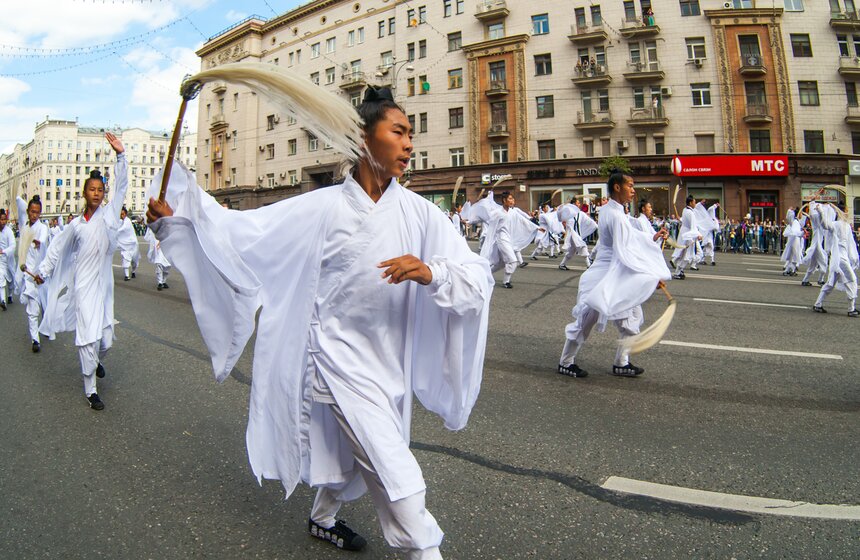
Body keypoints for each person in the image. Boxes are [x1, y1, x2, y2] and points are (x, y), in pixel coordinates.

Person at [146, 86, 492, 560]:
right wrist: (178, 220)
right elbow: (243, 232)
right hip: (335, 364)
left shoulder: (421, 214)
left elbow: (476, 276)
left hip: (389, 369)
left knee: (356, 459)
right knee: (400, 485)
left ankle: (322, 517)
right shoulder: (321, 207)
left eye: (411, 134)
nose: (410, 143)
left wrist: (434, 273)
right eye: (399, 132)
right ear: (363, 138)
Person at [34, 132, 127, 411]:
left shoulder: (110, 216)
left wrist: (121, 156)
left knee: (106, 340)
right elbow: (56, 249)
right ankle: (91, 391)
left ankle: (97, 362)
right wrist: (43, 270)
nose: (97, 193)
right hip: (84, 287)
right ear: (84, 193)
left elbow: (121, 186)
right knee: (88, 337)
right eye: (92, 189)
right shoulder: (76, 225)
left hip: (105, 287)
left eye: (100, 189)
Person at [558, 172, 670, 379]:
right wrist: (650, 275)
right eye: (630, 185)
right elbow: (625, 251)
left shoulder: (615, 211)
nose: (633, 190)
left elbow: (632, 238)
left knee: (632, 318)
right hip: (604, 275)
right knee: (586, 319)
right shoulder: (614, 214)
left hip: (616, 272)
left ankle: (621, 362)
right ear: (617, 187)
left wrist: (652, 236)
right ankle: (566, 362)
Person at [470, 191, 536, 288]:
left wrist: (537, 228)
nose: (512, 200)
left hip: (508, 240)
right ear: (504, 200)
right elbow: (484, 218)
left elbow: (523, 221)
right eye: (510, 198)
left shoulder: (513, 212)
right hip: (501, 240)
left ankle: (484, 275)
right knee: (513, 261)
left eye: (512, 198)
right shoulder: (497, 212)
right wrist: (469, 221)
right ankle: (506, 282)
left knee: (501, 263)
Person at [15, 194, 49, 352]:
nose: (34, 215)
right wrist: (21, 267)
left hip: (41, 275)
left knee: (44, 304)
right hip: (29, 276)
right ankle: (35, 340)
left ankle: (46, 322)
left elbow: (41, 245)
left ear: (40, 213)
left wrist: (37, 243)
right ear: (28, 211)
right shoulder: (24, 229)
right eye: (31, 211)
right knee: (31, 310)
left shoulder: (43, 229)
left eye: (37, 212)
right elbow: (22, 251)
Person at [812, 203, 859, 316]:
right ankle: (851, 309)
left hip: (840, 258)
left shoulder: (846, 226)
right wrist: (821, 211)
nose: (848, 213)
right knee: (851, 280)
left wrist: (853, 257)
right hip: (840, 259)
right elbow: (825, 225)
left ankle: (818, 304)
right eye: (846, 211)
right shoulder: (837, 224)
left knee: (830, 283)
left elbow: (850, 244)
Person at [557, 198, 597, 271]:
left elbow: (588, 221)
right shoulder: (568, 213)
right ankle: (589, 265)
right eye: (578, 203)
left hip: (577, 235)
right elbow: (560, 217)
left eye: (579, 203)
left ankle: (562, 264)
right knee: (583, 247)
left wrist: (595, 225)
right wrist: (562, 207)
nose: (579, 204)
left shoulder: (581, 213)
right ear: (574, 204)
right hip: (572, 235)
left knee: (571, 252)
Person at [671, 196, 702, 279]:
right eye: (694, 202)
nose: (695, 204)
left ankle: (679, 270)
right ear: (690, 203)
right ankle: (678, 271)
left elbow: (685, 222)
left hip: (684, 234)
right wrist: (698, 234)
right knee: (687, 255)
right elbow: (693, 226)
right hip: (688, 235)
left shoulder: (685, 210)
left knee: (683, 254)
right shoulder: (690, 213)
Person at [801, 201, 828, 287]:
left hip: (816, 246)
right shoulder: (819, 225)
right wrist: (820, 210)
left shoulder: (815, 223)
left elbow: (813, 216)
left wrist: (812, 205)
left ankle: (805, 280)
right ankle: (820, 280)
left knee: (813, 265)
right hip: (817, 246)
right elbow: (822, 218)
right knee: (823, 263)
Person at [117, 206, 141, 281]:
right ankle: (126, 276)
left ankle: (133, 271)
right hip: (125, 245)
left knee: (134, 261)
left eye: (123, 214)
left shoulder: (127, 221)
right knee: (125, 258)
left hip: (133, 244)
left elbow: (123, 229)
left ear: (126, 214)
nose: (122, 216)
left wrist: (115, 231)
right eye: (121, 214)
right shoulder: (120, 221)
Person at [144, 226, 171, 290]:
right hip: (157, 248)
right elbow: (148, 236)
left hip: (166, 246)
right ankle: (160, 282)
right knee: (159, 263)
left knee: (167, 266)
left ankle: (164, 281)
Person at [781, 208, 805, 276]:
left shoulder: (795, 222)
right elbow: (795, 232)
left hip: (795, 240)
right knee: (794, 256)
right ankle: (790, 270)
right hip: (794, 240)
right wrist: (802, 233)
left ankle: (789, 270)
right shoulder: (795, 222)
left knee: (793, 256)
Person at [0, 209, 16, 311]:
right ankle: (3, 301)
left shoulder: (9, 232)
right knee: (1, 279)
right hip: (0, 260)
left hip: (9, 259)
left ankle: (10, 294)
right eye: (1, 219)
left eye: (4, 219)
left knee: (11, 280)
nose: (3, 222)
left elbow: (13, 246)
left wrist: (4, 251)